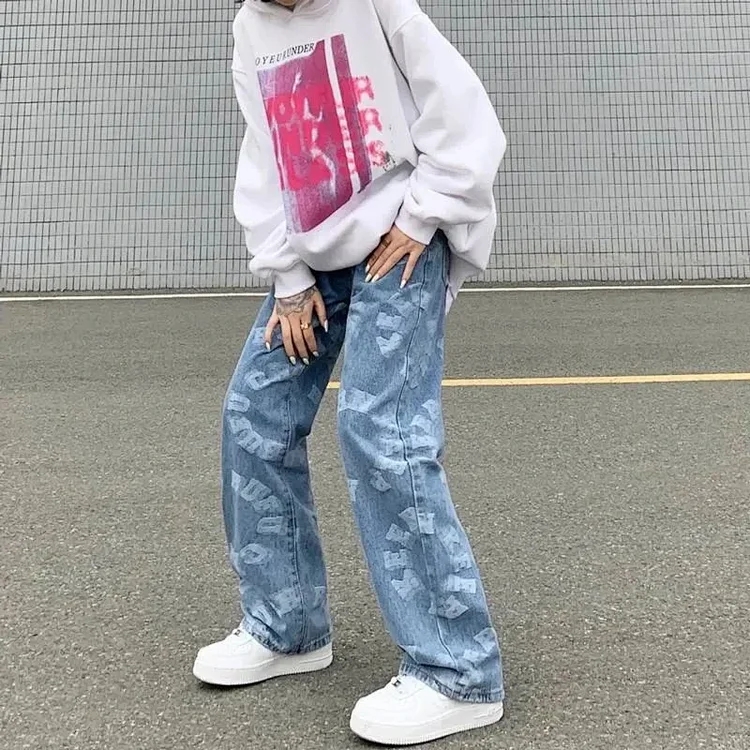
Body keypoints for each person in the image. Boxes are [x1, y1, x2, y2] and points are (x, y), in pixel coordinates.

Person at [193, 0, 507, 743]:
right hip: (314, 255)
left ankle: (459, 671)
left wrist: (424, 213)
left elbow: (462, 109)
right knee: (255, 416)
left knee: (380, 429)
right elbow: (266, 154)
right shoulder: (251, 27)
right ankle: (287, 626)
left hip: (401, 233)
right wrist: (287, 275)